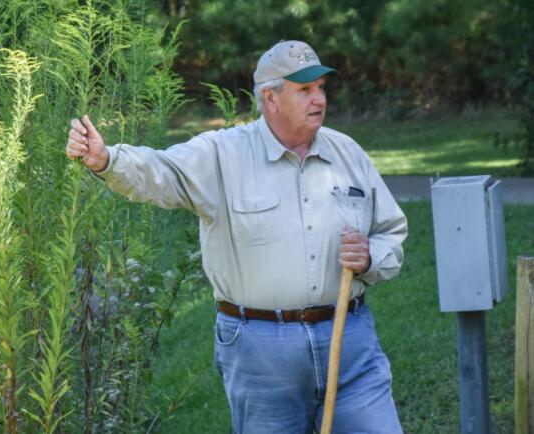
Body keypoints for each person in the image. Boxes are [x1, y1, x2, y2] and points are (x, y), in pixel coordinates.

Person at [66, 40, 407, 434]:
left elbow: (390, 232)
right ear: (270, 97)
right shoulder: (222, 154)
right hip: (260, 353)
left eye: (321, 88)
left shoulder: (347, 153)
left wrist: (369, 259)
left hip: (350, 346)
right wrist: (108, 160)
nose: (319, 99)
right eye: (304, 89)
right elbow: (163, 172)